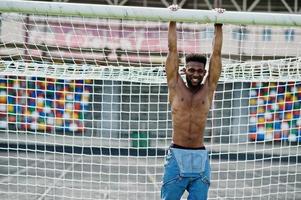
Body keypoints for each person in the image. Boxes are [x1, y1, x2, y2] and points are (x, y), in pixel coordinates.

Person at [161, 5, 224, 200]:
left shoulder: (208, 89)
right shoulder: (175, 86)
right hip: (177, 156)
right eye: (191, 70)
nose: (196, 74)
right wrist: (173, 18)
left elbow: (217, 54)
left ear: (204, 73)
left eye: (199, 71)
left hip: (199, 157)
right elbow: (172, 51)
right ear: (184, 70)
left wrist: (218, 23)